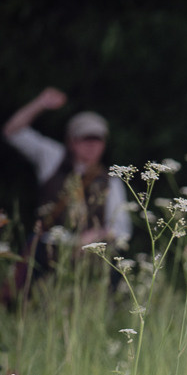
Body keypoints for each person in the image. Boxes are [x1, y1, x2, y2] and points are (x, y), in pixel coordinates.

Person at [3, 87, 133, 303]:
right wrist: (41, 103)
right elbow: (12, 132)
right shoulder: (52, 158)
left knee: (111, 273)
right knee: (20, 289)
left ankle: (102, 314)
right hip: (49, 246)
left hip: (90, 251)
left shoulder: (113, 181)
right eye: (85, 139)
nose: (92, 146)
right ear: (71, 140)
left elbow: (121, 229)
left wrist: (94, 237)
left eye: (97, 140)